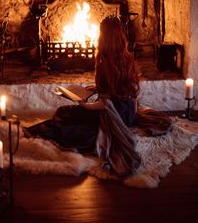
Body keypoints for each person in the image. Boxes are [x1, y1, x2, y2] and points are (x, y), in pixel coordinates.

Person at [25, 15, 144, 177]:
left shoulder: (104, 62)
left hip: (111, 116)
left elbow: (106, 104)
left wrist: (85, 105)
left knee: (64, 113)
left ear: (103, 36)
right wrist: (97, 88)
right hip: (128, 113)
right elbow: (121, 90)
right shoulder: (127, 57)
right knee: (70, 115)